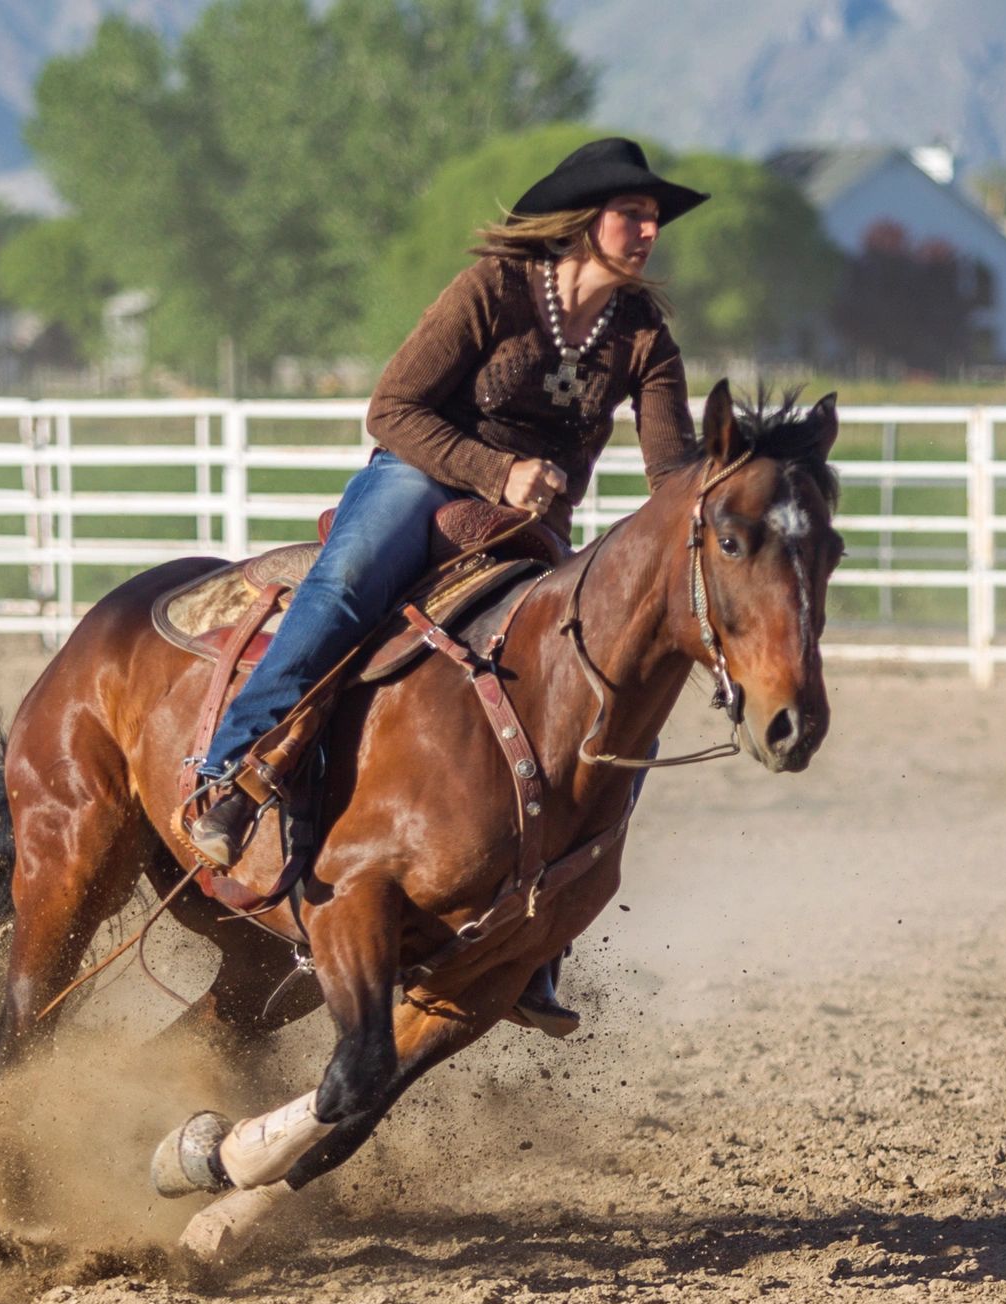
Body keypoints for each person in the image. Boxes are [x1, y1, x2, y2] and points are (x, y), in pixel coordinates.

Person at [184, 136, 706, 1032]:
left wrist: (706, 513)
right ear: (585, 221)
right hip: (423, 475)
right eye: (634, 213)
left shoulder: (643, 338)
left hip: (527, 526)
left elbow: (673, 477)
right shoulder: (495, 290)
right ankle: (233, 768)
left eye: (655, 217)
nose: (649, 229)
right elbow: (391, 407)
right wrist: (496, 470)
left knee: (608, 696)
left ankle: (540, 937)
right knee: (347, 585)